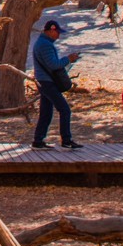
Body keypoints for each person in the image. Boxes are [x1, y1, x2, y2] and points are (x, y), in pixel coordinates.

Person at [32, 19, 82, 149]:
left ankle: (38, 141)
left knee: (46, 112)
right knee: (64, 109)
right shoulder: (45, 45)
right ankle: (66, 140)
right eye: (57, 32)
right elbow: (53, 65)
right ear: (51, 30)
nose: (59, 35)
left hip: (42, 80)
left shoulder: (42, 43)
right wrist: (68, 59)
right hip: (47, 82)